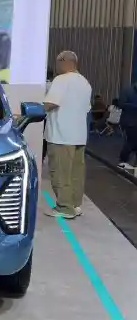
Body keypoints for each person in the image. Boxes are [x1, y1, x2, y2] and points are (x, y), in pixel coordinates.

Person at [44, 50, 91, 219]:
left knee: (61, 172)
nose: (56, 67)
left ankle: (64, 207)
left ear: (63, 61)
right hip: (79, 135)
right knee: (75, 174)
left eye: (57, 63)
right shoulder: (85, 82)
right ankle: (75, 205)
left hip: (60, 135)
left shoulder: (62, 80)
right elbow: (87, 108)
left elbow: (51, 103)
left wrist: (35, 109)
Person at [118, 80, 137, 170]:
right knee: (131, 142)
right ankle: (123, 161)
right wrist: (135, 106)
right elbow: (121, 104)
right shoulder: (127, 91)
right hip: (130, 122)